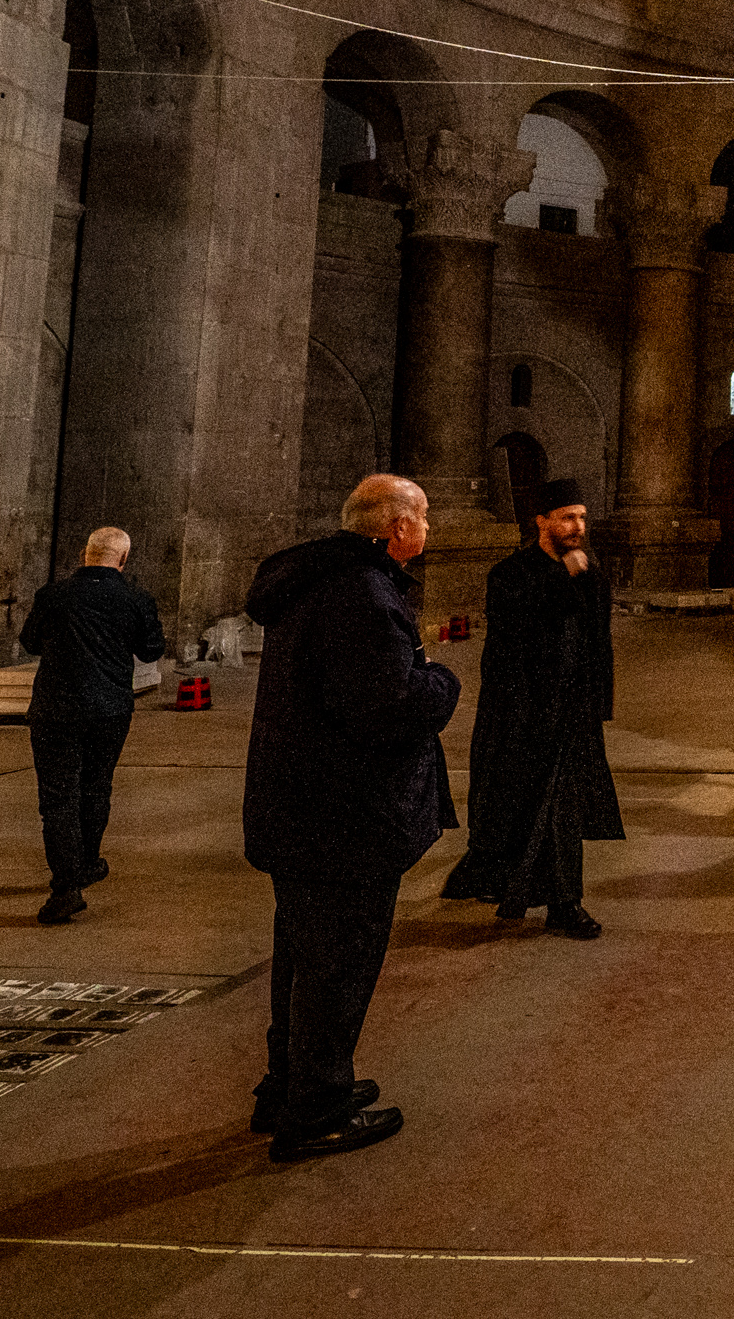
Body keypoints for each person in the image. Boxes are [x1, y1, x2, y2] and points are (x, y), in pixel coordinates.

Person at [241, 474, 461, 1161]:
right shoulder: (363, 595)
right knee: (337, 964)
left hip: (301, 806)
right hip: (346, 816)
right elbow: (386, 708)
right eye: (423, 516)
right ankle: (318, 1110)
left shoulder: (316, 580)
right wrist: (442, 682)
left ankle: (289, 1085)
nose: (428, 527)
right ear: (397, 528)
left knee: (304, 956)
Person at [439, 480, 625, 939]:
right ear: (542, 521)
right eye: (568, 517)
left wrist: (597, 705)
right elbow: (518, 630)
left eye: (582, 517)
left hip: (571, 716)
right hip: (521, 715)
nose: (578, 527)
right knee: (516, 807)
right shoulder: (511, 574)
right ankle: (504, 882)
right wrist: (566, 577)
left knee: (561, 814)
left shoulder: (590, 574)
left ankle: (565, 904)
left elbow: (598, 644)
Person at [19, 526, 163, 924]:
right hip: (110, 710)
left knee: (58, 798)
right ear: (123, 559)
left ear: (85, 553)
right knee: (96, 786)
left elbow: (30, 642)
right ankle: (86, 862)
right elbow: (151, 650)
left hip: (55, 710)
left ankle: (66, 887)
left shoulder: (53, 595)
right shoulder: (136, 598)